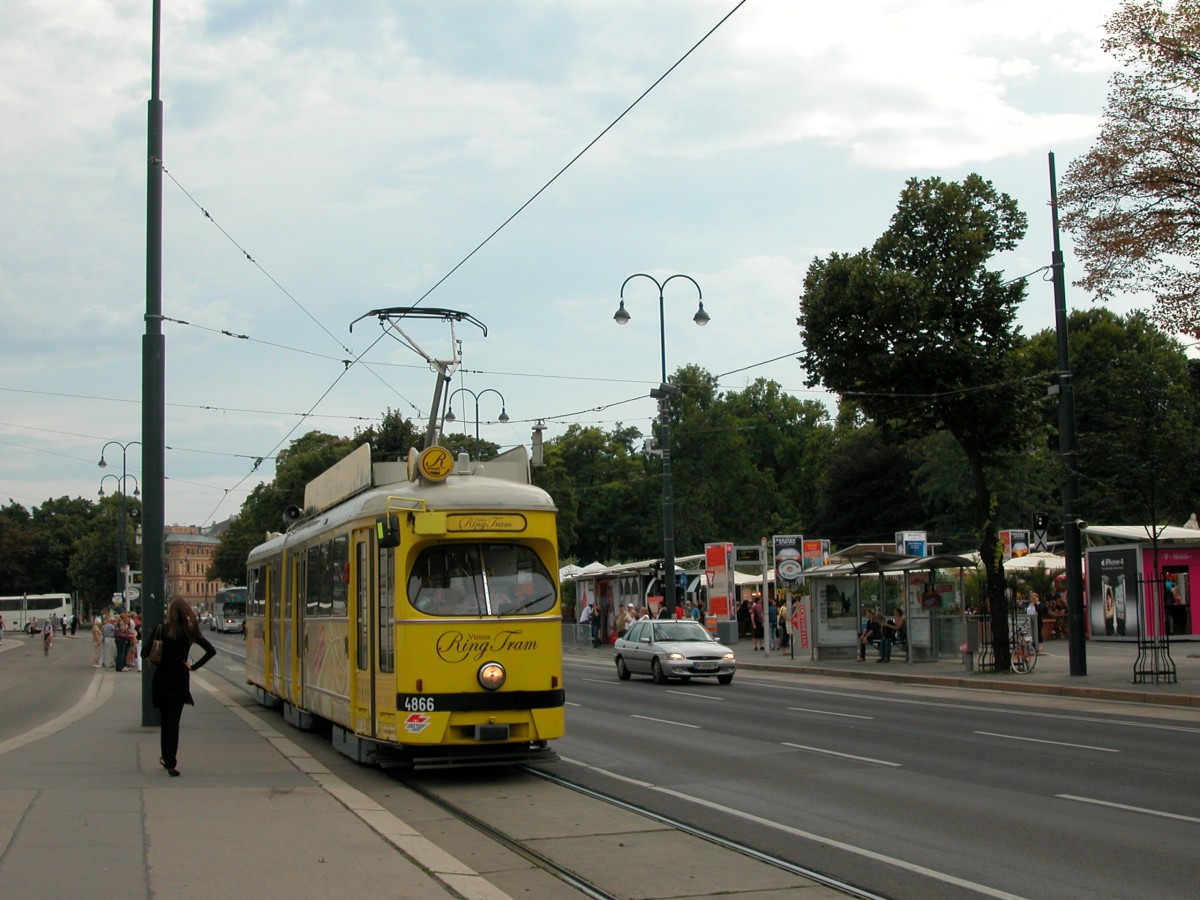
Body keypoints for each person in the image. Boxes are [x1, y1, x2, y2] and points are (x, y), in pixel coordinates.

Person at [144, 599, 216, 777]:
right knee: (173, 722)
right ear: (186, 613)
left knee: (165, 720)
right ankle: (171, 762)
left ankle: (165, 757)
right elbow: (211, 651)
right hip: (180, 679)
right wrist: (193, 666)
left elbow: (144, 652)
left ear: (170, 612)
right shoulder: (189, 632)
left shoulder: (161, 629)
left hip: (161, 679)